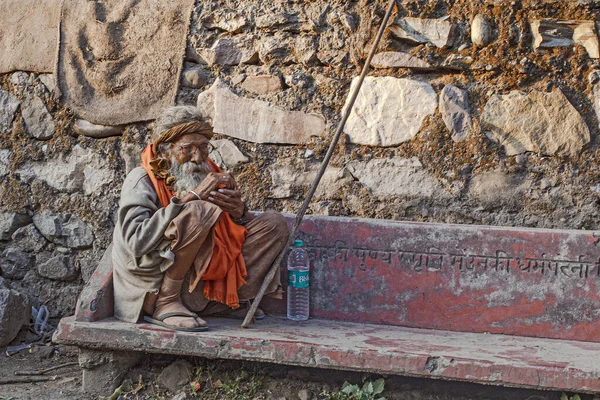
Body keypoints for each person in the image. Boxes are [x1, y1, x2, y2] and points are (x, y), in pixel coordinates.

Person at [111, 105, 288, 331]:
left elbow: (223, 235)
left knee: (274, 224)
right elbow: (135, 243)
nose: (197, 157)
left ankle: (216, 300)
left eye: (204, 147)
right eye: (188, 148)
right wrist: (191, 199)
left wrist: (238, 212)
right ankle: (167, 301)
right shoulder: (141, 179)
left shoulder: (209, 172)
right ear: (166, 150)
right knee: (199, 210)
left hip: (197, 280)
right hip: (153, 283)